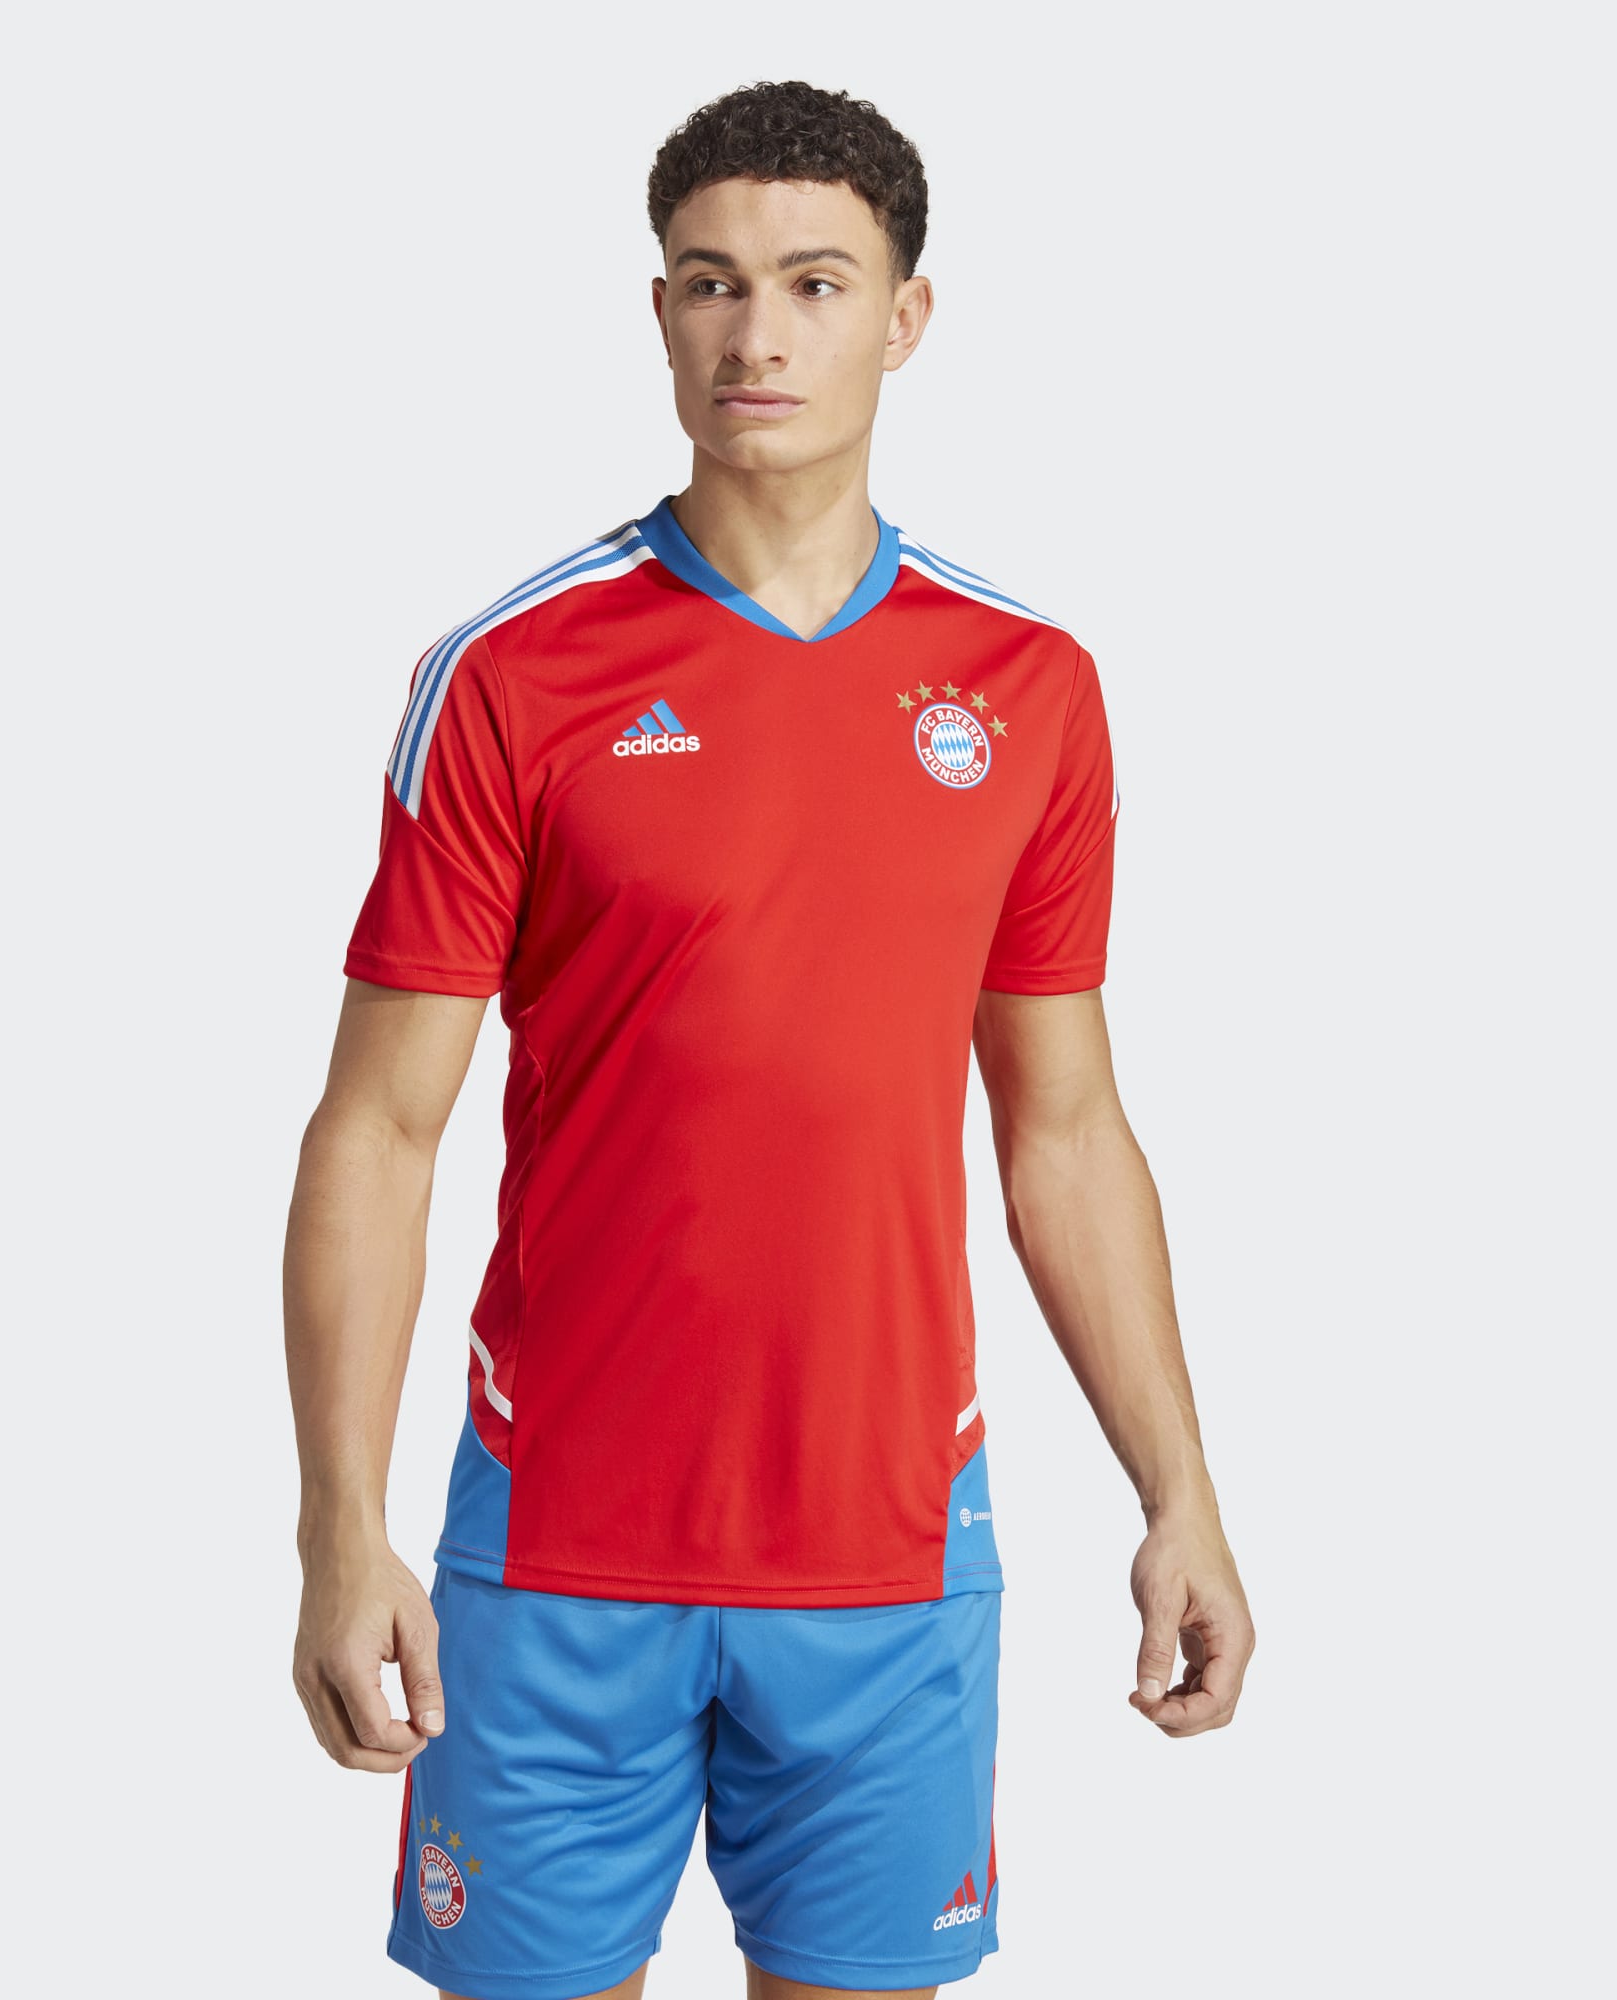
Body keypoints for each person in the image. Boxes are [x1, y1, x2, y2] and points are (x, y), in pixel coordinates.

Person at [283, 78, 1254, 2000]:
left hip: (891, 1551)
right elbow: (376, 1133)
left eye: (816, 282)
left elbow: (1065, 1128)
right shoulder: (514, 675)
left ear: (906, 317)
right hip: (556, 1555)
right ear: (661, 314)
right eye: (713, 282)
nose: (759, 333)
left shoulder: (1029, 688)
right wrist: (338, 1529)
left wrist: (1180, 1493)